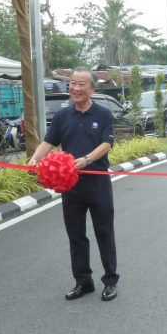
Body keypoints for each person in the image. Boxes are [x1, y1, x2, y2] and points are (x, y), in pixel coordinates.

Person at [28, 67, 119, 302]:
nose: (75, 88)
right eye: (72, 84)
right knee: (76, 235)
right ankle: (83, 281)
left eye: (81, 84)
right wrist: (35, 158)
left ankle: (110, 281)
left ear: (92, 89)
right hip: (70, 186)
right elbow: (49, 141)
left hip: (97, 182)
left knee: (104, 232)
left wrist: (87, 159)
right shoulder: (62, 116)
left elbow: (106, 145)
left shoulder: (103, 114)